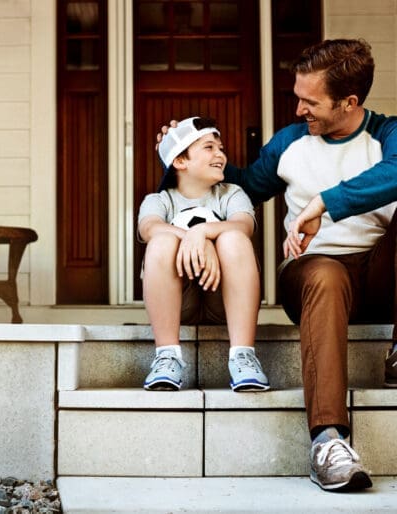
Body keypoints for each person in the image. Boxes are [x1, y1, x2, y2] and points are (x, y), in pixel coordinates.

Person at [159, 39, 397, 492]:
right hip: (312, 274)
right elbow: (241, 184)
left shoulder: (387, 135)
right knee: (325, 274)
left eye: (311, 100)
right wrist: (180, 157)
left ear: (349, 102)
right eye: (297, 95)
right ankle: (328, 442)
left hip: (383, 276)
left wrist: (328, 201)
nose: (299, 108)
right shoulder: (290, 142)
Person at [139, 116, 270, 393]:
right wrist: (195, 238)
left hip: (223, 301)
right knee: (161, 241)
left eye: (220, 148)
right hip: (179, 303)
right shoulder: (159, 200)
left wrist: (204, 233)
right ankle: (167, 355)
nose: (220, 154)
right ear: (180, 161)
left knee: (234, 238)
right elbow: (149, 228)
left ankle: (243, 356)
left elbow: (244, 225)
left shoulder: (231, 193)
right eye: (209, 147)